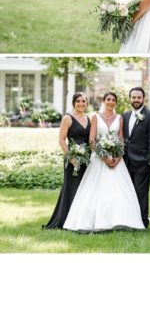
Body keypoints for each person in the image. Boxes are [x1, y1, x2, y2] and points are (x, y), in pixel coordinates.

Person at [63, 92, 144, 232]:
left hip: (116, 161)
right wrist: (104, 156)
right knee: (95, 192)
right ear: (104, 101)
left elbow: (121, 139)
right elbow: (92, 140)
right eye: (108, 99)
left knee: (119, 192)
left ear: (116, 102)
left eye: (113, 100)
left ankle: (120, 220)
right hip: (98, 160)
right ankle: (95, 221)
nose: (111, 102)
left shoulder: (119, 118)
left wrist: (118, 158)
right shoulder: (95, 117)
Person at [43, 93, 91, 229]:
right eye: (78, 101)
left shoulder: (89, 118)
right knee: (71, 188)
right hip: (72, 159)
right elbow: (61, 140)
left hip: (86, 160)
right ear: (73, 102)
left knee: (84, 189)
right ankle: (64, 220)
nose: (81, 103)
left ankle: (80, 220)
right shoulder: (67, 118)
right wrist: (71, 157)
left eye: (84, 101)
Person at [122, 87, 150, 227]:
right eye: (134, 97)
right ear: (130, 98)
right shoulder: (125, 116)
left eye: (139, 97)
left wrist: (149, 161)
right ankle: (129, 220)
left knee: (141, 193)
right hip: (126, 161)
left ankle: (142, 222)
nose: (136, 100)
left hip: (142, 162)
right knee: (128, 192)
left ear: (143, 99)